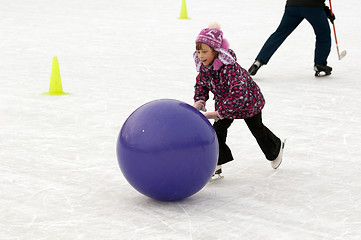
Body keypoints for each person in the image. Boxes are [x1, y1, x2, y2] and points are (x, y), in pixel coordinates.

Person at [192, 23, 285, 179]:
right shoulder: (204, 67)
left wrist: (220, 112)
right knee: (217, 132)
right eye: (199, 52)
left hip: (249, 103)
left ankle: (276, 147)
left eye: (205, 52)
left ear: (216, 51)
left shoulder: (230, 69)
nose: (201, 56)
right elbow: (201, 83)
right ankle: (216, 164)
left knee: (258, 130)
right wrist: (200, 99)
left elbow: (239, 95)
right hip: (225, 103)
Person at [248, 0, 336, 77]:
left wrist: (324, 9)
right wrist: (324, 10)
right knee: (323, 34)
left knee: (280, 33)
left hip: (292, 6)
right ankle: (320, 64)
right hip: (313, 7)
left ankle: (259, 61)